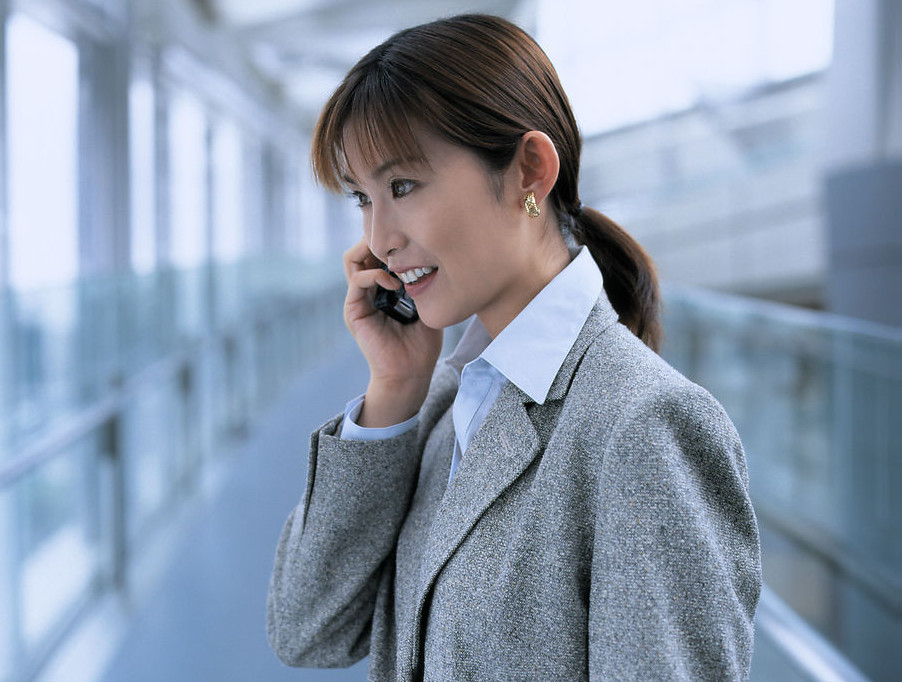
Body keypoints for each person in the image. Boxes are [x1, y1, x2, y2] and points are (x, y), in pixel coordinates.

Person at [267, 13, 761, 681]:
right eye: (363, 199)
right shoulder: (444, 402)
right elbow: (308, 632)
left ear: (529, 170)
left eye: (403, 187)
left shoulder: (645, 425)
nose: (379, 237)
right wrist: (395, 389)